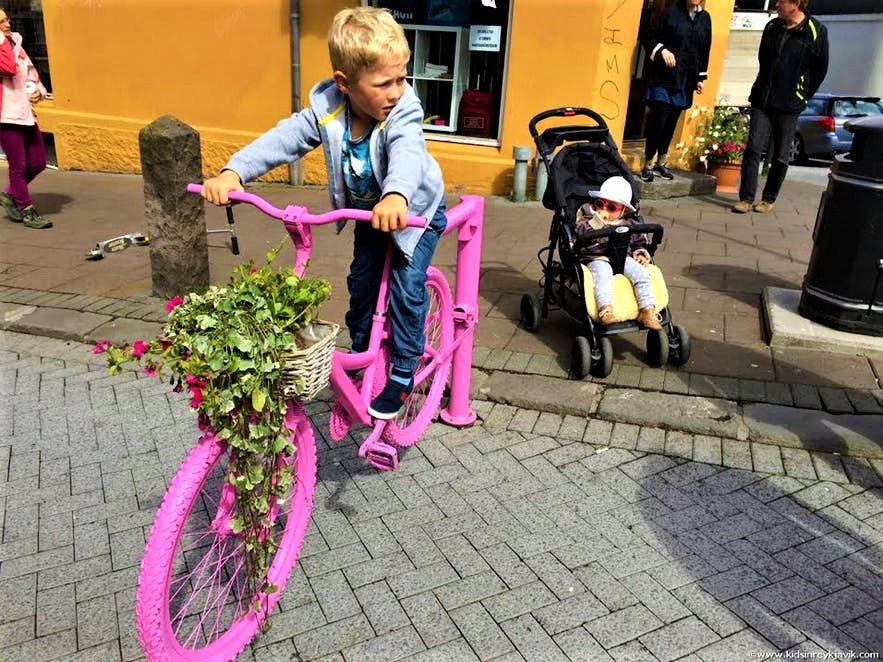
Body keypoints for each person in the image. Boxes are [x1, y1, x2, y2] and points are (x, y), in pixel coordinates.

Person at [201, 7, 446, 420]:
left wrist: (397, 196)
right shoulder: (328, 108)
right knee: (361, 285)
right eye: (384, 83)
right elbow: (286, 138)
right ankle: (366, 355)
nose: (397, 91)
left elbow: (407, 151)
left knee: (406, 289)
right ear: (344, 84)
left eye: (402, 79)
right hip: (372, 216)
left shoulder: (403, 110)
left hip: (412, 214)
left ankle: (404, 371)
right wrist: (234, 170)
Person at [733, 0, 828, 214]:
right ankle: (746, 198)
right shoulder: (772, 27)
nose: (776, 4)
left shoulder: (816, 31)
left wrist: (802, 95)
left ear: (796, 3)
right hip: (763, 98)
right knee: (754, 147)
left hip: (789, 103)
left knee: (781, 155)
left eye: (781, 1)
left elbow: (820, 70)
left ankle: (768, 198)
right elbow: (763, 59)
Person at [574, 176, 662, 330]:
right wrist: (597, 222)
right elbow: (580, 231)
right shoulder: (588, 215)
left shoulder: (629, 223)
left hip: (623, 257)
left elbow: (638, 241)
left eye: (612, 207)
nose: (603, 209)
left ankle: (647, 310)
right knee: (603, 274)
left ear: (623, 210)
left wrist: (640, 253)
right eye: (600, 203)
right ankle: (605, 310)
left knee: (641, 274)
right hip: (596, 257)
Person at [640, 0, 711, 183]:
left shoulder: (705, 18)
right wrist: (662, 50)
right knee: (659, 119)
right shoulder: (670, 13)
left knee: (671, 122)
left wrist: (700, 78)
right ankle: (648, 162)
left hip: (686, 79)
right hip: (664, 77)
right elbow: (649, 37)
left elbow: (704, 50)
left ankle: (661, 162)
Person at [0, 8, 50, 229]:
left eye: (7, 19)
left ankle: (9, 194)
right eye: (0, 22)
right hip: (5, 115)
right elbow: (9, 69)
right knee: (18, 166)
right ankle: (27, 210)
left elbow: (28, 72)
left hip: (25, 112)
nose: (7, 25)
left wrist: (37, 90)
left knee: (38, 161)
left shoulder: (15, 44)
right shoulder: (4, 47)